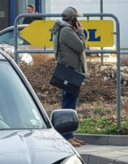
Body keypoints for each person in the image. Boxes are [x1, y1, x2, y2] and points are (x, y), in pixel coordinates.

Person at [51, 6, 87, 147]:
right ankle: (66, 136)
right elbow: (80, 47)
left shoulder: (65, 29)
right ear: (72, 18)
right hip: (70, 71)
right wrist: (81, 33)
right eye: (76, 18)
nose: (78, 21)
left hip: (70, 70)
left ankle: (69, 135)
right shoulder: (66, 30)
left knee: (70, 103)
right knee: (68, 104)